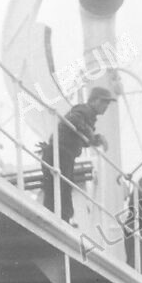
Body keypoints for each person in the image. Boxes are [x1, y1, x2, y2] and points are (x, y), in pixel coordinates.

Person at [41, 86, 114, 223]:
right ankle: (59, 222)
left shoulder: (87, 114)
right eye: (105, 102)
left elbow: (80, 134)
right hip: (60, 153)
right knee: (60, 190)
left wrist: (95, 138)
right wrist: (93, 136)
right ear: (95, 101)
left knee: (60, 190)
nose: (106, 106)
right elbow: (74, 120)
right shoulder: (84, 110)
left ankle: (59, 220)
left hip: (61, 154)